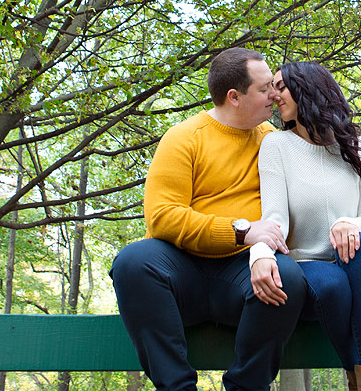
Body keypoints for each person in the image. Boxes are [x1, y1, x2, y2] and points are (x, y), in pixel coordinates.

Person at [110, 47, 308, 391]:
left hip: (244, 276)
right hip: (181, 273)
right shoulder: (184, 137)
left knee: (287, 276)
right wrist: (241, 230)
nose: (275, 96)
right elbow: (162, 217)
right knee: (132, 262)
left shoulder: (274, 142)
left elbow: (311, 199)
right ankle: (176, 387)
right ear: (234, 96)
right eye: (264, 89)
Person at [249, 61, 361, 391]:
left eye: (281, 87)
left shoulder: (359, 148)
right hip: (305, 270)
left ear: (306, 89)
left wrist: (347, 223)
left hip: (353, 262)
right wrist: (260, 252)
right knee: (331, 285)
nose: (274, 96)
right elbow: (276, 219)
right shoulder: (276, 145)